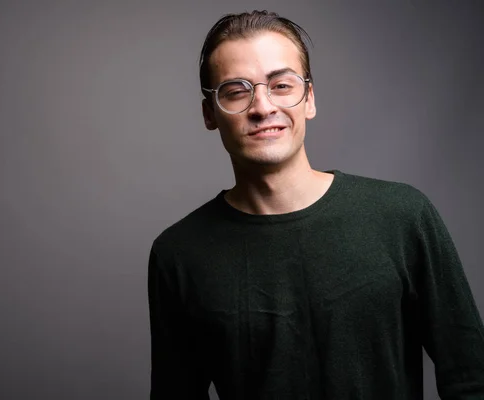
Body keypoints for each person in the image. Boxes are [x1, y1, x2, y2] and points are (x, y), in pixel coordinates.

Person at [146, 10, 484, 400]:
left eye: (281, 85)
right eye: (237, 91)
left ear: (309, 98)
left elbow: (471, 377)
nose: (262, 107)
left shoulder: (403, 215)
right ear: (210, 114)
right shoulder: (179, 253)